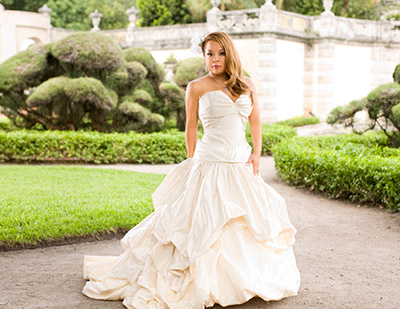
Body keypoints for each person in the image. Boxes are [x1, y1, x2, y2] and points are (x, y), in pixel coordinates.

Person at [82, 31, 300, 308]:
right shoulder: (196, 87)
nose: (215, 59)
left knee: (247, 220)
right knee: (204, 220)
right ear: (204, 56)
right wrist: (191, 159)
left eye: (220, 53)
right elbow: (191, 127)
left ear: (230, 54)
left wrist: (257, 153)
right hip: (209, 161)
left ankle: (245, 278)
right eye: (209, 54)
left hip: (240, 161)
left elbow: (256, 120)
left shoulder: (247, 84)